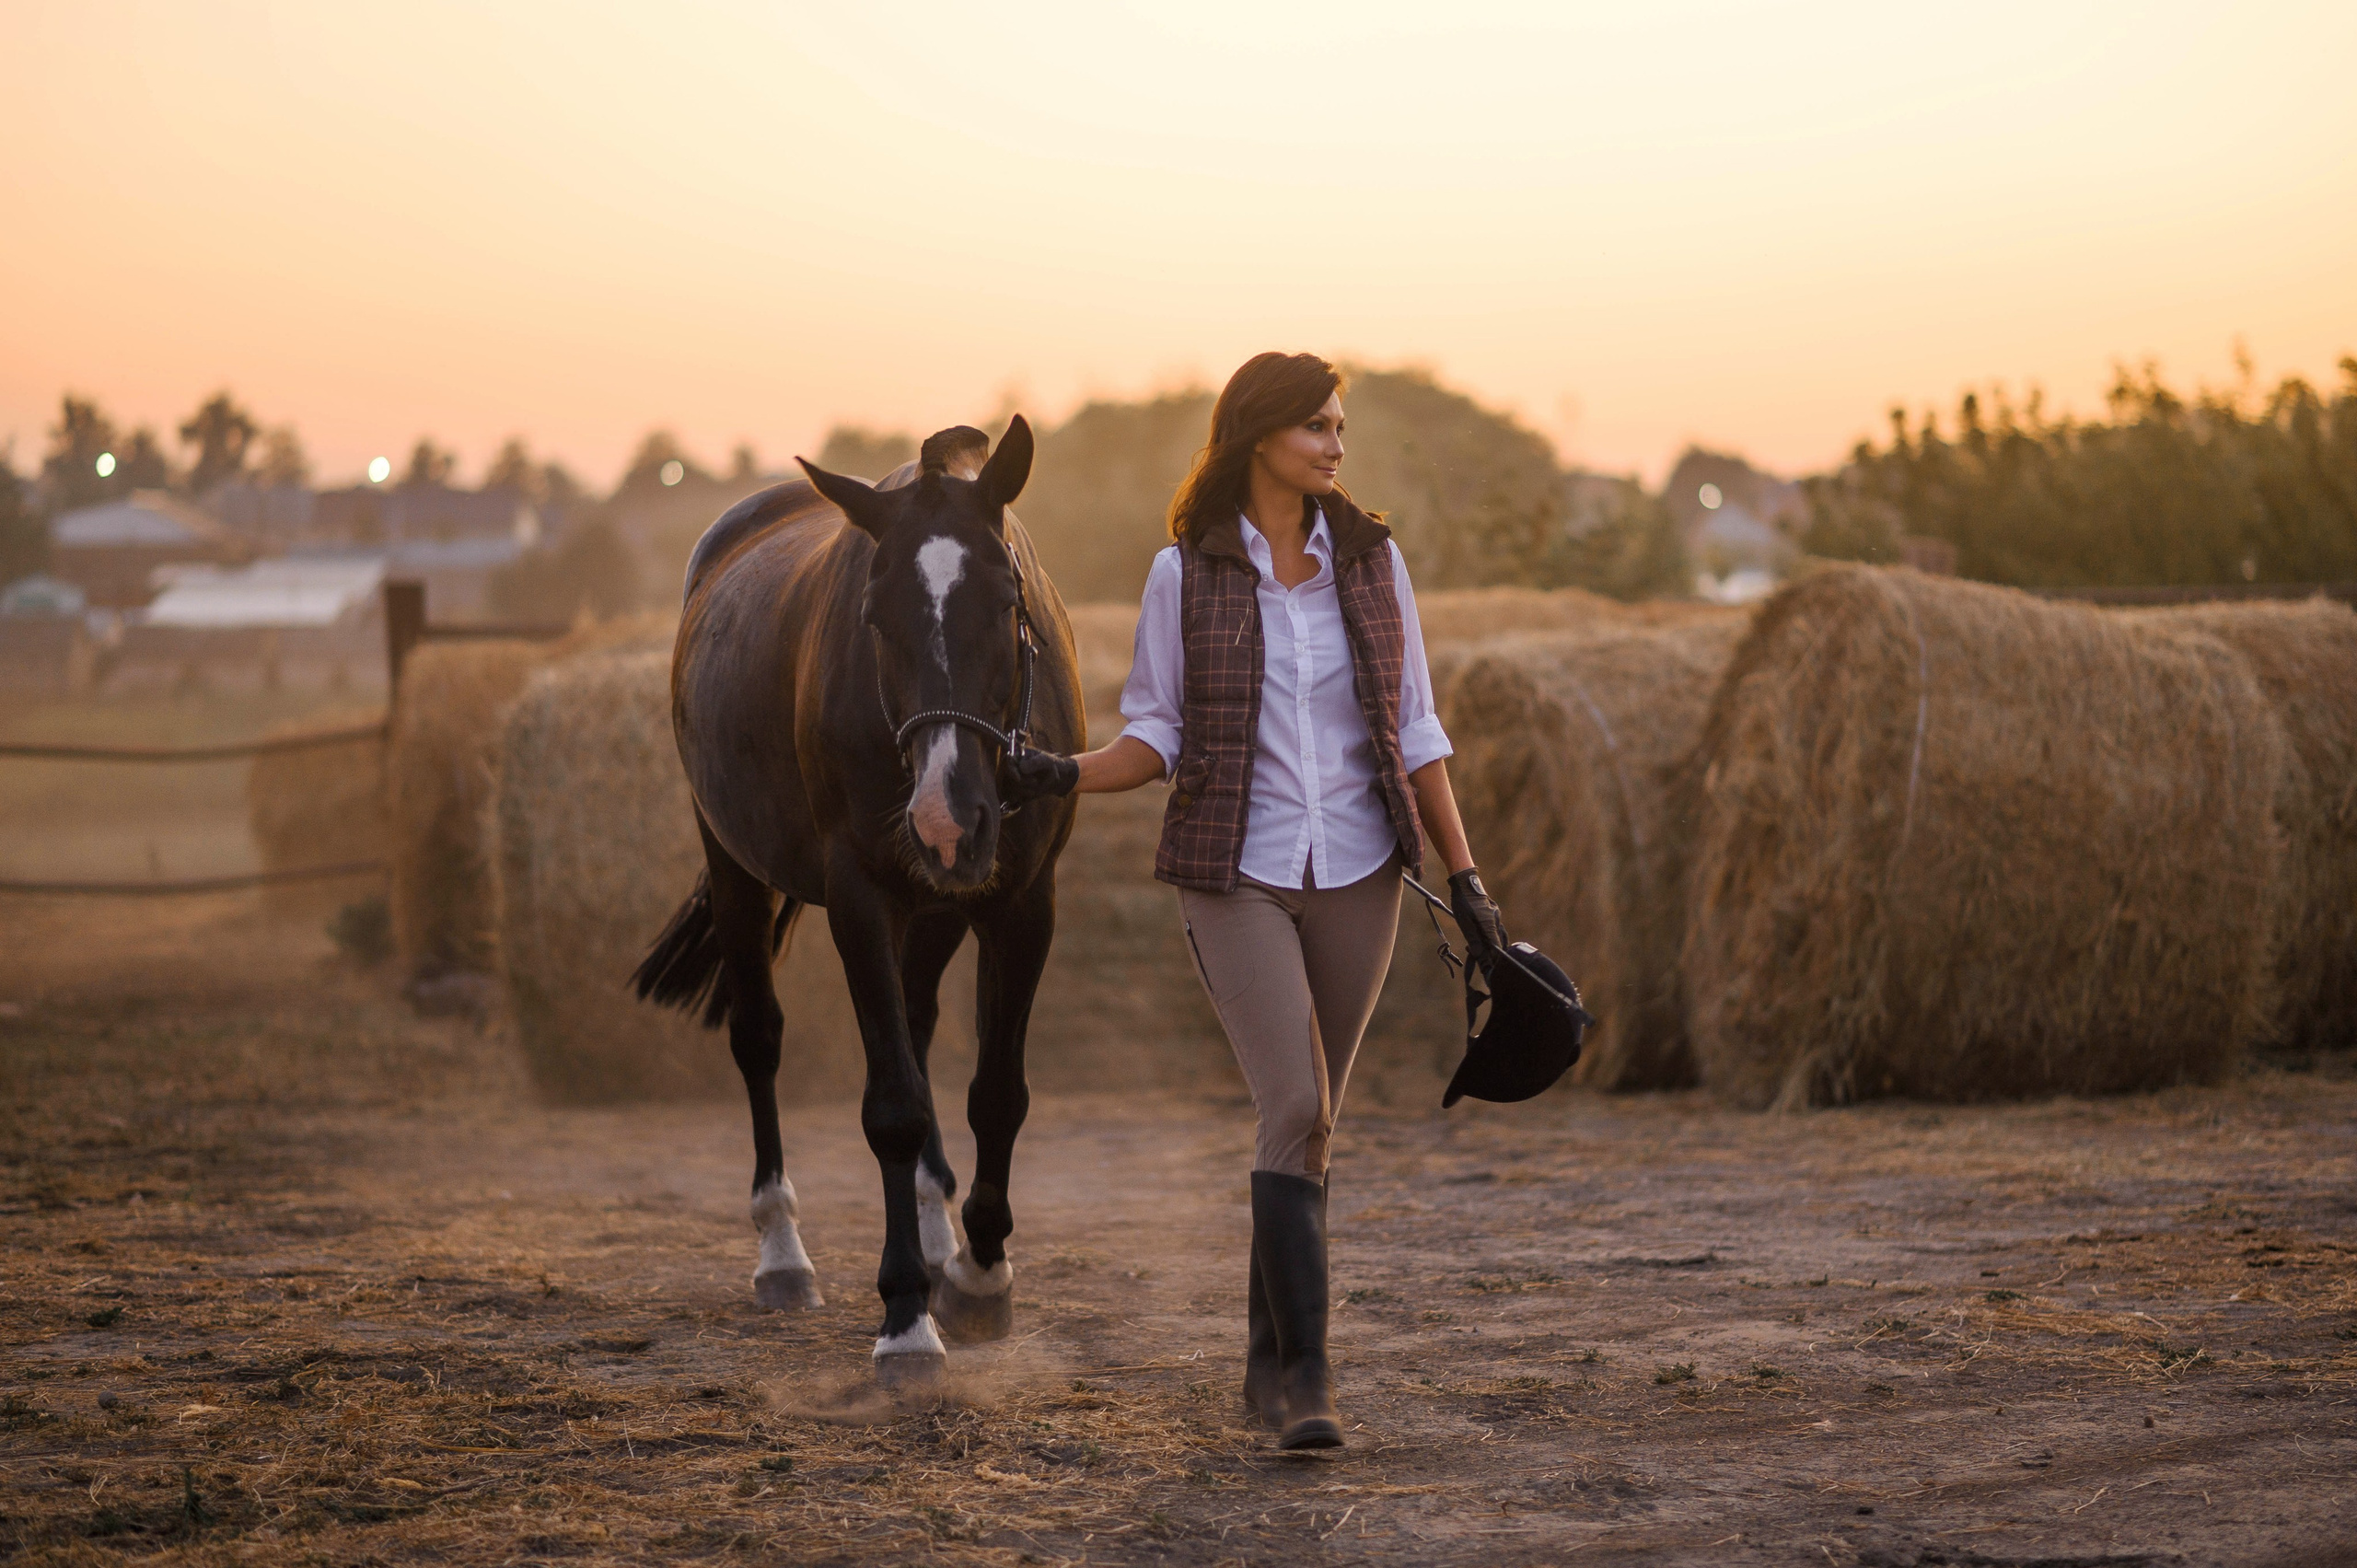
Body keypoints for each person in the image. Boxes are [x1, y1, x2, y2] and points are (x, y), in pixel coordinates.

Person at [1002, 352, 1510, 1450]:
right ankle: (1308, 1382)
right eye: (1318, 427)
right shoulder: (1184, 574)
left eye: (1341, 427)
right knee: (1296, 1104)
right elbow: (1155, 739)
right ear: (1261, 435)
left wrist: (1466, 880)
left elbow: (1418, 731)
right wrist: (1052, 769)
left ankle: (1261, 1362)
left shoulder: (1373, 564)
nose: (1337, 445)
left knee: (1308, 1125)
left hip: (1363, 873)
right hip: (1234, 872)